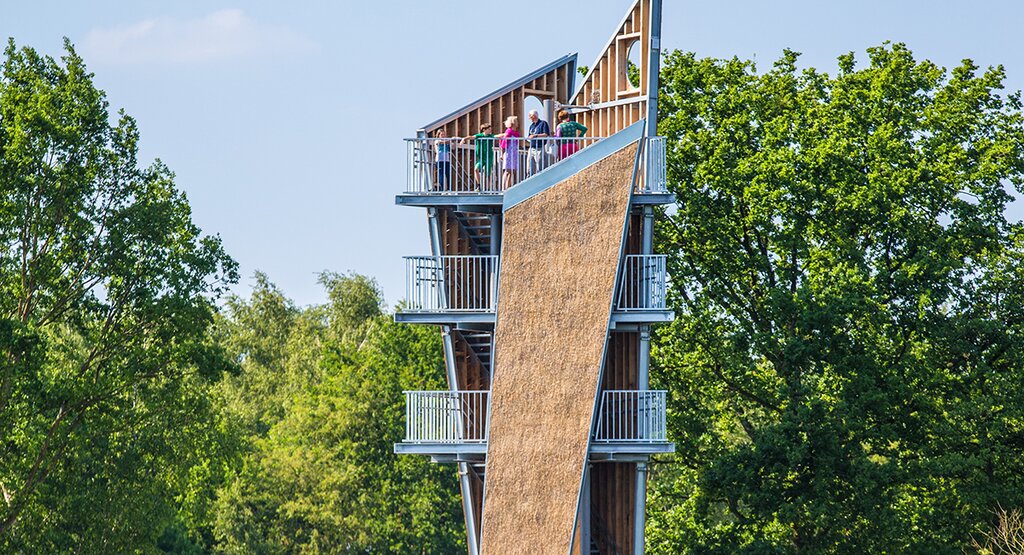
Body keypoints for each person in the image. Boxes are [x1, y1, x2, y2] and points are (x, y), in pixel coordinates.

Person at [462, 123, 495, 190]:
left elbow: (497, 136)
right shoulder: (479, 136)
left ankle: (487, 188)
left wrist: (505, 135)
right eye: (489, 129)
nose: (490, 130)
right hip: (481, 158)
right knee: (476, 169)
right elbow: (471, 137)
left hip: (489, 157)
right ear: (484, 130)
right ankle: (479, 185)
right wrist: (464, 139)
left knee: (487, 173)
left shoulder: (490, 136)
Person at [495, 116, 521, 190]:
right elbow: (504, 143)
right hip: (509, 153)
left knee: (511, 171)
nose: (517, 123)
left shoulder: (515, 133)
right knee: (508, 171)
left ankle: (507, 187)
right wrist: (502, 153)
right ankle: (505, 188)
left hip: (514, 153)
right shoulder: (509, 131)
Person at [526, 109, 551, 176]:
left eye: (530, 116)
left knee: (539, 166)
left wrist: (535, 135)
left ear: (534, 116)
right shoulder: (531, 126)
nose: (529, 118)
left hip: (539, 148)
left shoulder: (543, 123)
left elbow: (546, 134)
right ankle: (529, 179)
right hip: (531, 148)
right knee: (529, 166)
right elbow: (529, 135)